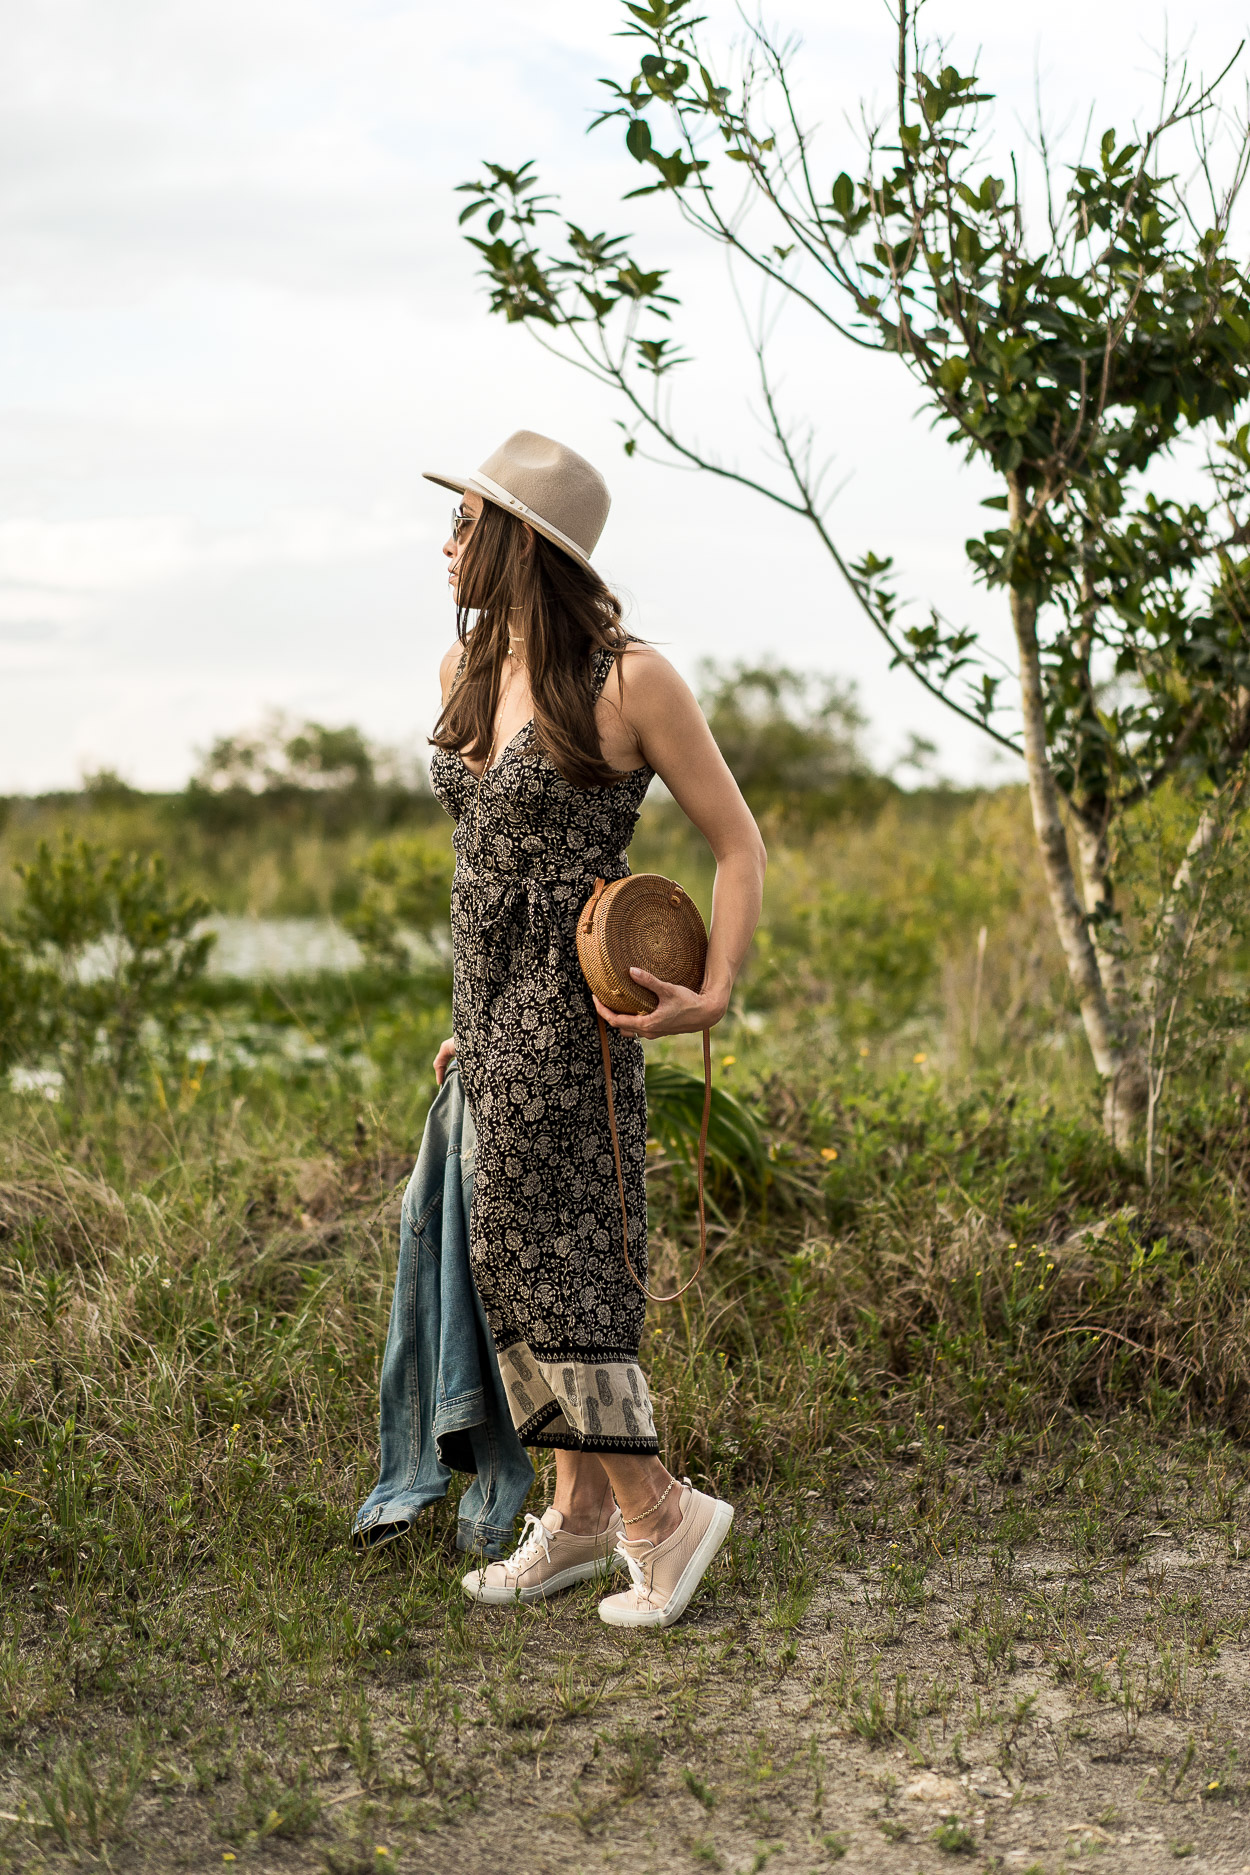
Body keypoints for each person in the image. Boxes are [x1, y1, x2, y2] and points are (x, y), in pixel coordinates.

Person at [423, 430, 766, 1629]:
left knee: (558, 1263)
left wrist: (713, 991)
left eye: (466, 523)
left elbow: (737, 842)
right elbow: (480, 872)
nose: (448, 543)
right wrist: (467, 1018)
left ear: (520, 542)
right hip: (490, 1009)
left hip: (573, 1016)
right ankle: (572, 1520)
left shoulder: (630, 679)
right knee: (503, 1257)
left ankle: (659, 1516)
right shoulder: (476, 666)